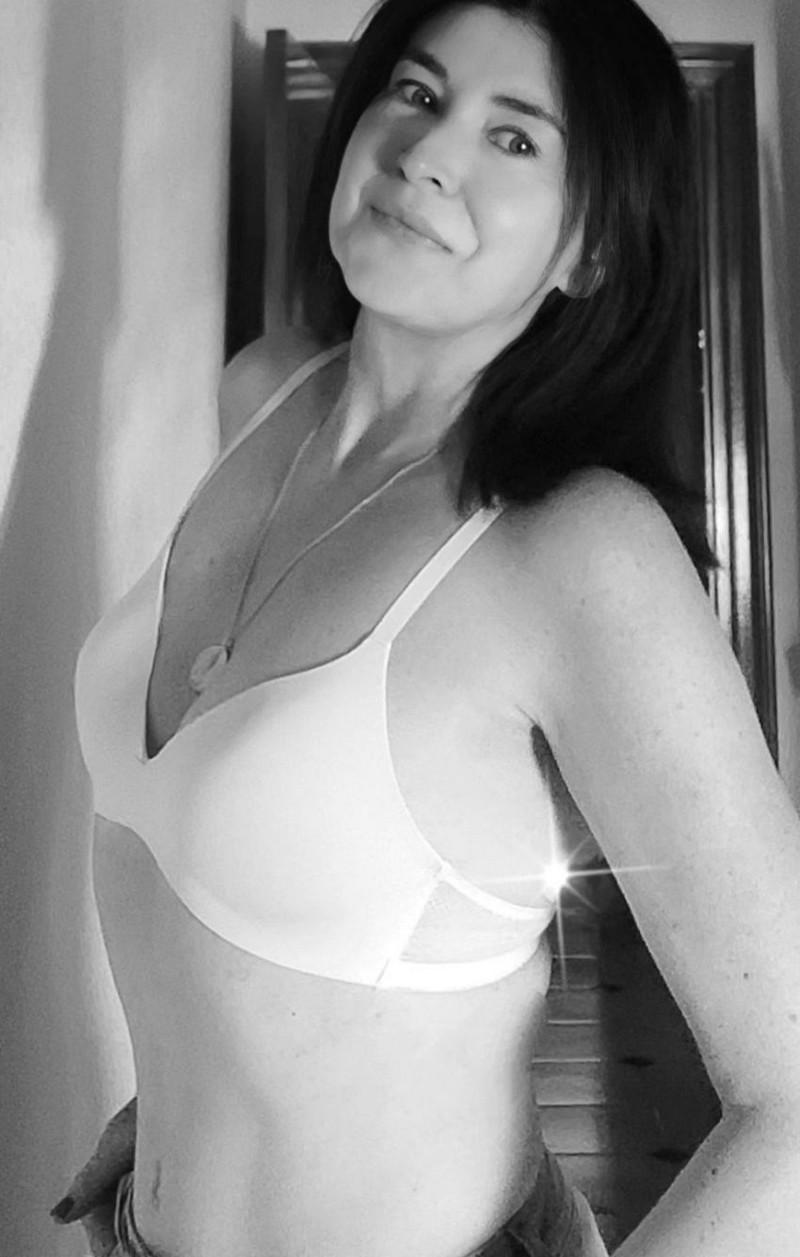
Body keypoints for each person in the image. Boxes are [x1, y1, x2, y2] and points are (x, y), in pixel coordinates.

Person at [53, 0, 800, 1253]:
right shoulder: (261, 392)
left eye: (514, 138)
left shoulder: (575, 551)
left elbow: (790, 1100)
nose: (428, 153)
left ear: (589, 251)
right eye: (415, 91)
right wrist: (186, 1097)